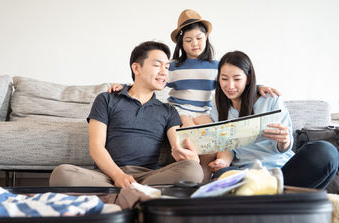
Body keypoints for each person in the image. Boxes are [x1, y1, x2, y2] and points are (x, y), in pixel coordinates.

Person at [107, 9, 279, 181]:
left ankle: (204, 181)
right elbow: (152, 80)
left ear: (206, 39)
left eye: (199, 38)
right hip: (180, 110)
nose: (194, 44)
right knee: (193, 135)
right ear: (181, 43)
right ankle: (193, 175)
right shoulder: (172, 65)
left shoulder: (215, 66)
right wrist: (124, 85)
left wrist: (258, 87)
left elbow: (232, 81)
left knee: (213, 138)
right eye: (188, 40)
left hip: (204, 111)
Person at [49, 41, 204, 188]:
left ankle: (119, 194)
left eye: (167, 67)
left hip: (148, 177)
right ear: (136, 68)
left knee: (193, 170)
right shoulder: (107, 99)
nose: (164, 71)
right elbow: (96, 147)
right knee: (61, 174)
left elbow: (178, 145)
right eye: (157, 65)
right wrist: (118, 176)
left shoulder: (169, 111)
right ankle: (137, 194)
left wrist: (189, 157)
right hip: (106, 175)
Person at [206, 50, 338, 189]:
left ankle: (272, 192)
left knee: (326, 151)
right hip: (247, 174)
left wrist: (285, 140)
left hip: (283, 172)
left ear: (248, 79)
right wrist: (222, 162)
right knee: (221, 174)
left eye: (237, 79)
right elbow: (228, 149)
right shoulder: (217, 113)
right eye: (224, 78)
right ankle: (281, 195)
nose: (230, 85)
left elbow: (282, 147)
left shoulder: (270, 99)